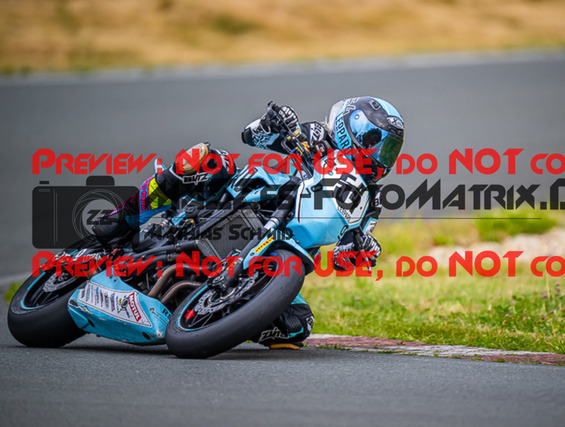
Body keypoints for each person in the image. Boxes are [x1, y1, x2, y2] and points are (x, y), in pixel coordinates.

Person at [93, 96, 405, 349]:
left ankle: (215, 313)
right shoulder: (315, 136)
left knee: (298, 325)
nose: (382, 155)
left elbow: (348, 252)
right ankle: (125, 217)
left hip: (277, 254)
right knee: (207, 159)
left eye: (390, 149)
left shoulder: (370, 199)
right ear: (352, 128)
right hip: (242, 196)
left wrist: (362, 250)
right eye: (377, 142)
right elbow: (251, 135)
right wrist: (273, 123)